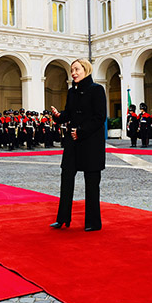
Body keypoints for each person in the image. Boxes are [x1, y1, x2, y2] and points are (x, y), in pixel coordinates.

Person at [50, 58, 106, 232]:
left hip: (90, 143)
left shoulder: (97, 90)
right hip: (72, 142)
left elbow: (100, 117)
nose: (73, 73)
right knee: (66, 178)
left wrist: (81, 131)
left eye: (76, 69)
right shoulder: (71, 92)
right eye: (72, 70)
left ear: (86, 70)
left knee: (92, 183)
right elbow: (69, 113)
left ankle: (93, 222)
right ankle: (62, 218)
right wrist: (58, 116)